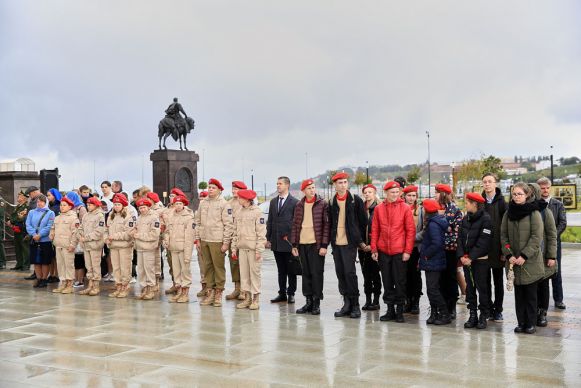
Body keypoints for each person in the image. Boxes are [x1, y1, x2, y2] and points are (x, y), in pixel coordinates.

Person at [500, 182, 545, 334]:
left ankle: (531, 323)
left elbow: (536, 237)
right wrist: (509, 254)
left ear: (527, 195)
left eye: (519, 194)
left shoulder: (534, 213)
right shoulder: (508, 213)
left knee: (531, 295)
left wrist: (524, 255)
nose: (516, 197)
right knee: (519, 296)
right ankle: (521, 322)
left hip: (529, 262)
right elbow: (503, 236)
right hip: (514, 262)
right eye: (514, 194)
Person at [371, 181, 415, 323]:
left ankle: (399, 310)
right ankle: (390, 309)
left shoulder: (405, 208)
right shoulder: (379, 209)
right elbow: (375, 230)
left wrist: (407, 250)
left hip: (399, 251)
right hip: (383, 251)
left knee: (400, 281)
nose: (395, 195)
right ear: (386, 193)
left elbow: (410, 231)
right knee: (387, 281)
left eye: (397, 192)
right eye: (392, 192)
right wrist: (374, 249)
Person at [330, 172, 367, 319]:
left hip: (350, 243)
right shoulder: (332, 201)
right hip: (336, 243)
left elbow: (364, 222)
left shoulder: (355, 200)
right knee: (340, 273)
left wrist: (361, 241)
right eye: (340, 182)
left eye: (345, 182)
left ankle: (355, 305)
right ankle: (346, 303)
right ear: (335, 185)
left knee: (350, 273)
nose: (343, 185)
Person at [290, 179, 330, 315]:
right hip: (302, 244)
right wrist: (294, 244)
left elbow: (326, 226)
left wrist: (324, 245)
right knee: (306, 273)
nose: (312, 190)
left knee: (316, 273)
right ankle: (308, 302)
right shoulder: (299, 205)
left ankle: (316, 303)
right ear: (303, 191)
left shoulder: (322, 204)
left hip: (316, 245)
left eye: (313, 187)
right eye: (309, 188)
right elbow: (295, 225)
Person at [194, 178, 234, 307]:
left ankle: (218, 293)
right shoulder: (203, 203)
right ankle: (210, 292)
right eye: (209, 187)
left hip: (217, 240)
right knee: (207, 267)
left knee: (218, 268)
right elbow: (197, 222)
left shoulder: (224, 204)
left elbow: (228, 225)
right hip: (204, 239)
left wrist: (226, 243)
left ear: (219, 190)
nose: (210, 189)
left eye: (213, 188)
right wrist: (198, 240)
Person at [457, 193, 492, 330]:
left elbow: (483, 241)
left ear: (475, 204)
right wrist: (461, 256)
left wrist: (471, 257)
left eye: (467, 203)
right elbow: (459, 238)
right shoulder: (466, 218)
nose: (465, 205)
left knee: (482, 288)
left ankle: (483, 314)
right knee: (470, 288)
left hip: (479, 260)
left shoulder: (486, 219)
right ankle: (472, 314)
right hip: (466, 260)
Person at [231, 189, 267, 310]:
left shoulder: (257, 212)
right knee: (244, 275)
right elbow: (235, 232)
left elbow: (261, 234)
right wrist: (233, 248)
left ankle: (256, 299)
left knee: (254, 274)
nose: (238, 199)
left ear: (246, 199)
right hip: (242, 248)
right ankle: (247, 298)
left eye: (240, 198)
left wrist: (259, 250)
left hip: (253, 250)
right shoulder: (239, 212)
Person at [266, 176, 299, 304]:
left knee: (291, 269)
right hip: (276, 242)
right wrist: (268, 238)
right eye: (277, 183)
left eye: (280, 184)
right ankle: (282, 293)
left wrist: (295, 242)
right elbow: (270, 221)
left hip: (288, 242)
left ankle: (291, 293)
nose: (278, 186)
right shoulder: (273, 202)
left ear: (287, 185)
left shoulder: (295, 202)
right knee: (281, 270)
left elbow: (296, 223)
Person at [528, 183, 557, 327]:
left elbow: (552, 235)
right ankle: (532, 313)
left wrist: (551, 256)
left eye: (531, 192)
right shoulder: (523, 210)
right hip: (529, 256)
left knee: (543, 285)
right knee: (532, 287)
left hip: (543, 255)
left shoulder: (545, 211)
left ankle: (542, 313)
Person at [537, 177, 567, 309]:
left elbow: (563, 223)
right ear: (539, 189)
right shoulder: (535, 205)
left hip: (554, 243)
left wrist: (552, 236)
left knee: (555, 271)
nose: (545, 190)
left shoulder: (557, 204)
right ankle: (541, 300)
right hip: (538, 243)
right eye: (542, 188)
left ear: (550, 188)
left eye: (547, 187)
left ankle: (558, 299)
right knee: (540, 271)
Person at [419, 199, 450, 325]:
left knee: (432, 289)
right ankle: (434, 314)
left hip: (433, 260)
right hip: (434, 260)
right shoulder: (436, 221)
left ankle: (444, 313)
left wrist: (426, 255)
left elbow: (437, 243)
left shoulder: (433, 224)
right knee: (432, 288)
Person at [435, 183, 463, 320]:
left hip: (450, 250)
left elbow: (457, 231)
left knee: (450, 278)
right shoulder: (434, 208)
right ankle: (442, 306)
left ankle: (451, 307)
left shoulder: (454, 209)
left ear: (443, 194)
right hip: (437, 250)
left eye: (437, 192)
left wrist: (445, 231)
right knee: (440, 279)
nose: (435, 195)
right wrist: (447, 228)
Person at [481, 173, 507, 322]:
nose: (487, 184)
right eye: (485, 182)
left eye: (490, 181)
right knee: (484, 282)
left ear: (495, 184)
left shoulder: (502, 203)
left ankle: (498, 310)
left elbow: (506, 228)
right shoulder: (480, 202)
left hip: (498, 249)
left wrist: (505, 250)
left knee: (498, 282)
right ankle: (488, 308)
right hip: (484, 249)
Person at [163, 194, 195, 303]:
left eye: (180, 203)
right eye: (176, 203)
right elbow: (167, 231)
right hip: (173, 248)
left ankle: (185, 293)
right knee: (176, 271)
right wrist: (166, 240)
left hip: (183, 248)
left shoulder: (188, 217)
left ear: (184, 204)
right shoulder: (171, 216)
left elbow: (190, 237)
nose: (178, 205)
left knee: (185, 271)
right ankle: (179, 291)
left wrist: (187, 255)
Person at [104, 193, 136, 298]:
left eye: (118, 204)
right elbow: (106, 229)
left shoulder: (128, 216)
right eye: (115, 204)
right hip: (113, 246)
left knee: (125, 267)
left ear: (123, 205)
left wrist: (114, 236)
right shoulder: (111, 216)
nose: (116, 206)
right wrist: (106, 238)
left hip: (124, 246)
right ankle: (118, 286)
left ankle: (125, 287)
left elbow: (129, 234)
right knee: (116, 268)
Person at [358, 183, 382, 311]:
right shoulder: (361, 208)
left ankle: (376, 300)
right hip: (362, 248)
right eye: (365, 192)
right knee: (366, 275)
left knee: (375, 274)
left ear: (374, 193)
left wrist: (373, 245)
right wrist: (361, 244)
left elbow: (381, 229)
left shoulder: (379, 207)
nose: (367, 194)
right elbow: (356, 227)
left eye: (370, 192)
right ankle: (368, 300)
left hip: (375, 248)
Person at [132, 197, 161, 300]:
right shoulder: (139, 218)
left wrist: (139, 235)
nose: (142, 209)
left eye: (144, 207)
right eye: (140, 208)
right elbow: (135, 229)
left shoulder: (154, 217)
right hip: (140, 247)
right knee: (141, 270)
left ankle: (151, 288)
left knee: (149, 269)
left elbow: (154, 234)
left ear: (148, 207)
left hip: (149, 247)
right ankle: (144, 288)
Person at [49, 197, 79, 294]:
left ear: (70, 206)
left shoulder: (73, 218)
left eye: (64, 205)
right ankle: (63, 283)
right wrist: (52, 234)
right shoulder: (57, 218)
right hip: (58, 245)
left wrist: (72, 245)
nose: (62, 207)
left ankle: (70, 284)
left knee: (68, 265)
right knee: (60, 265)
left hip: (68, 246)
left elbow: (75, 233)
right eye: (61, 205)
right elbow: (53, 228)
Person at [78, 196, 106, 296]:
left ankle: (96, 286)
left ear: (96, 205)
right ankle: (90, 285)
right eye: (88, 205)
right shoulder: (86, 215)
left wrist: (86, 237)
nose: (88, 206)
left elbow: (99, 232)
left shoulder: (100, 216)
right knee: (88, 266)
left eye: (90, 205)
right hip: (86, 245)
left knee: (95, 266)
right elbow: (81, 227)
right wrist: (80, 234)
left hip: (95, 245)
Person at [25, 194, 55, 288]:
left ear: (45, 202)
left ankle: (44, 279)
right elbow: (28, 224)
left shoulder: (50, 213)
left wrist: (40, 235)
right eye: (38, 201)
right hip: (34, 240)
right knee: (36, 261)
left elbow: (49, 226)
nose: (39, 203)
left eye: (42, 201)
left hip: (45, 241)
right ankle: (38, 279)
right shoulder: (32, 212)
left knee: (45, 261)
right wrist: (34, 234)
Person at [403, 185, 423, 314]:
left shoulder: (421, 210)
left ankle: (416, 301)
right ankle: (407, 300)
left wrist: (412, 238)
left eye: (413, 196)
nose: (411, 198)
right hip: (402, 247)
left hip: (416, 247)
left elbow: (424, 228)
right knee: (404, 275)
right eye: (409, 195)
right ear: (404, 196)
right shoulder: (401, 208)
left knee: (415, 275)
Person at [226, 180, 247, 302]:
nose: (234, 191)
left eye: (237, 189)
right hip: (232, 237)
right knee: (234, 263)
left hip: (243, 237)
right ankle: (237, 288)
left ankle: (244, 289)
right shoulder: (229, 203)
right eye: (233, 189)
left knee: (244, 264)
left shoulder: (244, 203)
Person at [66, 191, 88, 288]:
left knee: (79, 260)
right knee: (74, 260)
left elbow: (84, 224)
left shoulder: (81, 208)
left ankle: (80, 280)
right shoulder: (70, 207)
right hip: (71, 237)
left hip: (79, 237)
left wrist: (79, 236)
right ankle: (75, 279)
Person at [146, 191, 166, 293]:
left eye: (148, 199)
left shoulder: (160, 210)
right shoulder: (148, 209)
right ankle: (150, 282)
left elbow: (162, 224)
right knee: (148, 262)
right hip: (147, 239)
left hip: (156, 239)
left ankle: (156, 282)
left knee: (156, 260)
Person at [8, 191, 30, 272]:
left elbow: (19, 218)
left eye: (20, 196)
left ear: (24, 198)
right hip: (16, 229)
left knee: (24, 248)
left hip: (22, 229)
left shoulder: (25, 207)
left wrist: (11, 221)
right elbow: (13, 216)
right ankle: (19, 264)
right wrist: (10, 221)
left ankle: (25, 265)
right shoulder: (17, 206)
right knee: (17, 248)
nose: (18, 197)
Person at [193, 190, 209, 297]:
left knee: (210, 266)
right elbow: (195, 228)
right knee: (202, 265)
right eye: (200, 199)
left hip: (211, 241)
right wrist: (196, 241)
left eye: (204, 199)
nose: (202, 201)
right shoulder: (197, 213)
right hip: (200, 242)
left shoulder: (210, 212)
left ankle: (211, 288)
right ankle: (204, 287)